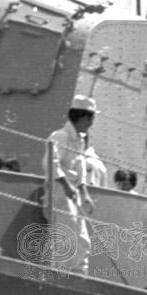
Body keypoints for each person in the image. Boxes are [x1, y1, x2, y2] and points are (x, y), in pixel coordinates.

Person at [43, 96, 98, 273]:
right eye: (91, 119)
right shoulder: (60, 136)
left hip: (73, 194)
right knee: (65, 241)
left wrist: (84, 192)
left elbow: (80, 166)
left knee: (82, 241)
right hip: (60, 193)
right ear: (84, 118)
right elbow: (50, 163)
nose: (91, 124)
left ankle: (79, 277)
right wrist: (66, 185)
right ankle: (61, 279)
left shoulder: (79, 140)